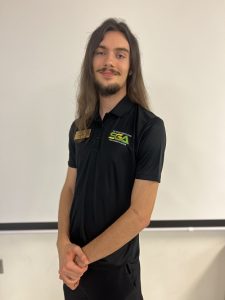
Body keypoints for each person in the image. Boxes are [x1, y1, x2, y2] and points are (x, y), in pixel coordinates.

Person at [57, 18, 166, 300]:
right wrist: (63, 245)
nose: (109, 61)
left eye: (120, 54)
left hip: (117, 278)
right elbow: (70, 188)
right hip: (75, 276)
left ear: (131, 67)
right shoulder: (79, 126)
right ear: (90, 62)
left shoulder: (148, 127)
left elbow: (140, 215)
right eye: (101, 52)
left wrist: (81, 259)